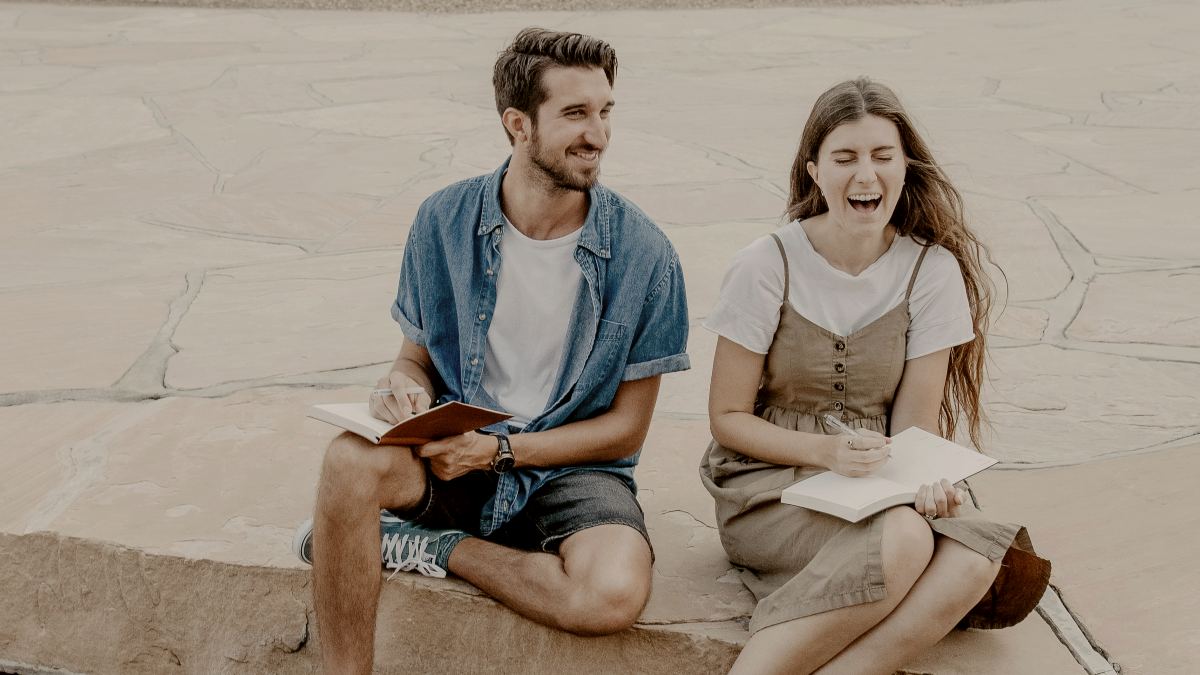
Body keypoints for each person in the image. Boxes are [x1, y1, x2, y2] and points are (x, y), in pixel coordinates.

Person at [292, 28, 689, 673]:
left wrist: (504, 450)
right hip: (453, 453)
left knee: (609, 595)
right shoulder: (442, 221)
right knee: (347, 463)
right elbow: (412, 355)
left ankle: (428, 546)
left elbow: (624, 429)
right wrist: (404, 385)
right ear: (518, 124)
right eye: (575, 114)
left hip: (571, 469)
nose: (598, 133)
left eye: (605, 111)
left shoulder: (646, 254)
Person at [699, 78, 1050, 675]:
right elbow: (727, 419)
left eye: (883, 157)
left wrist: (926, 484)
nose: (867, 175)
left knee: (973, 559)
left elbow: (914, 427)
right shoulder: (767, 264)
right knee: (907, 540)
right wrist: (826, 452)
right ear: (814, 170)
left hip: (878, 482)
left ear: (905, 166)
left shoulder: (931, 272)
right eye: (845, 158)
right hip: (769, 485)